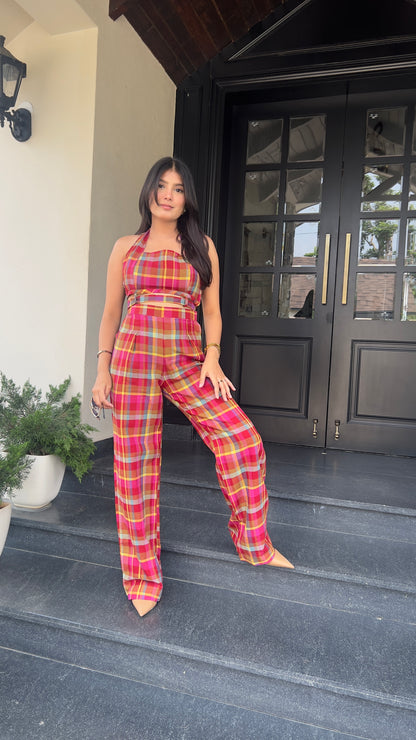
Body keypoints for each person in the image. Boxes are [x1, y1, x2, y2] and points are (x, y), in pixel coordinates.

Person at [92, 156, 294, 618]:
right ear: (149, 191)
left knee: (242, 440)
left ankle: (254, 544)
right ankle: (142, 577)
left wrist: (213, 358)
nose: (168, 195)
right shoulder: (126, 247)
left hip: (188, 361)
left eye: (178, 188)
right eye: (161, 185)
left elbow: (213, 312)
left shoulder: (202, 247)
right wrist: (103, 369)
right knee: (134, 467)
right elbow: (110, 314)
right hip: (133, 359)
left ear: (188, 200)